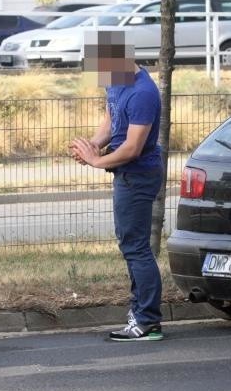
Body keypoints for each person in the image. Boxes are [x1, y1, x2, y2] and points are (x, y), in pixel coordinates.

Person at [69, 31, 164, 341]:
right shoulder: (117, 81)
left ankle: (147, 319)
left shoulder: (143, 93)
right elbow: (111, 119)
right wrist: (93, 145)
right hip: (124, 172)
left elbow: (133, 147)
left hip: (138, 174)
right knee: (130, 244)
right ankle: (141, 315)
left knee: (136, 247)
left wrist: (96, 161)